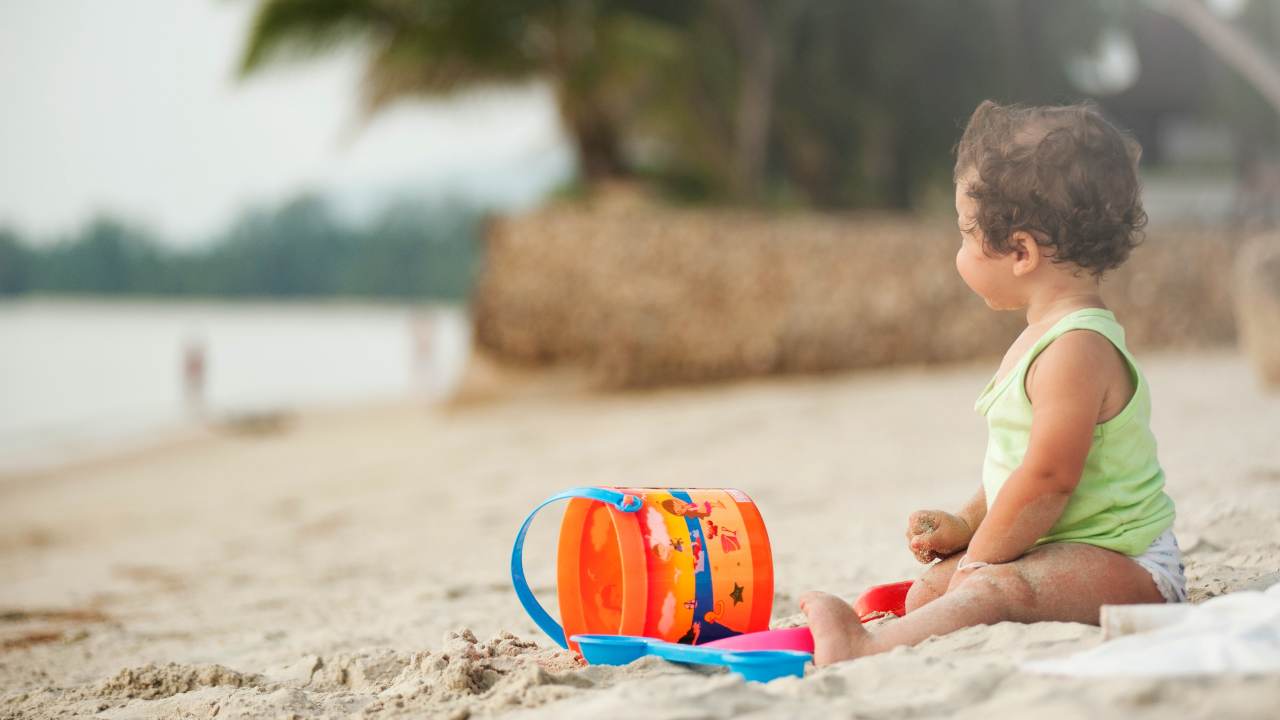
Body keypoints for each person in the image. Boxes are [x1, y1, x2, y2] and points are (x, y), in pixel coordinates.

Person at [799, 100, 1186, 665]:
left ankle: (863, 647)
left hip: (1132, 566)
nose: (959, 251)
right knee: (932, 591)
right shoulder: (1044, 338)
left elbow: (1049, 478)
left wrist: (981, 561)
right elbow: (1019, 467)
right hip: (1070, 546)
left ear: (1021, 251)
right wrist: (966, 524)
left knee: (994, 588)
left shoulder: (1076, 348)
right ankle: (924, 610)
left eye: (964, 234)